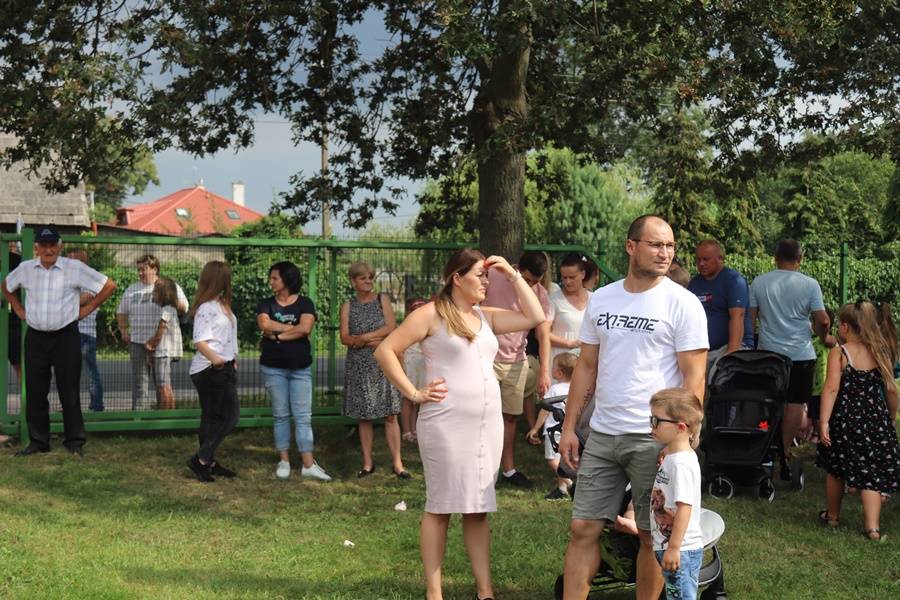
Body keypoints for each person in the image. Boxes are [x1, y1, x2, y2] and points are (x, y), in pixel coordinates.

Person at [374, 249, 544, 600]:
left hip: (487, 426)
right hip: (445, 426)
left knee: (478, 508)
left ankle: (485, 592)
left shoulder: (486, 316)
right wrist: (413, 392)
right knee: (440, 507)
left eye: (487, 276)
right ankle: (434, 593)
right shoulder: (431, 314)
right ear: (457, 278)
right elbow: (385, 351)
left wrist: (512, 275)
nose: (486, 282)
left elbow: (535, 316)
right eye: (480, 275)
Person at [559, 215, 708, 600]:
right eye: (656, 244)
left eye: (670, 246)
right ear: (631, 247)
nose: (664, 253)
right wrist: (570, 428)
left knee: (650, 533)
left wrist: (681, 441)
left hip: (654, 439)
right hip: (603, 435)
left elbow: (694, 378)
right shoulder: (602, 299)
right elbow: (586, 366)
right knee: (582, 528)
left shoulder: (684, 304)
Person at [2, 226, 116, 456]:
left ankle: (74, 442)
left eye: (52, 245)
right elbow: (6, 285)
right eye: (43, 245)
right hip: (35, 337)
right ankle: (38, 442)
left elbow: (109, 285)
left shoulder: (74, 268)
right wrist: (18, 308)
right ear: (36, 247)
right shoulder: (25, 269)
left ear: (59, 246)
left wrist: (88, 309)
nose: (48, 249)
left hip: (66, 337)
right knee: (35, 391)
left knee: (69, 391)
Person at [749, 239, 836, 480]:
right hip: (800, 354)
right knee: (795, 404)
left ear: (775, 257)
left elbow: (751, 318)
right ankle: (785, 451)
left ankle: (764, 446)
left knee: (767, 401)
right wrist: (822, 336)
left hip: (768, 353)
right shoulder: (810, 284)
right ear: (800, 258)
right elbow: (823, 319)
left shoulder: (759, 282)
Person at [816, 301, 899, 541]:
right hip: (875, 420)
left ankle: (832, 517)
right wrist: (890, 417)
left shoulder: (840, 353)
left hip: (846, 420)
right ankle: (872, 528)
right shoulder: (880, 352)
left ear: (844, 327)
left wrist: (824, 421)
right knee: (871, 475)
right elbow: (891, 391)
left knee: (836, 469)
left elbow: (831, 389)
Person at [483, 251, 553, 488]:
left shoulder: (540, 294)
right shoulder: (493, 276)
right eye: (528, 279)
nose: (531, 285)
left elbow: (543, 335)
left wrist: (544, 371)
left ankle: (509, 469)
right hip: (486, 358)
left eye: (536, 281)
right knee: (483, 415)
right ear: (517, 269)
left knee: (510, 417)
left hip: (516, 362)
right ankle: (484, 469)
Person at [256, 261, 331, 481]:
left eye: (275, 278)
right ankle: (284, 461)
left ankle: (308, 464)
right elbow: (264, 326)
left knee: (303, 417)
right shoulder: (266, 304)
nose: (271, 282)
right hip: (273, 368)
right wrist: (293, 329)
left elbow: (305, 329)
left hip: (300, 369)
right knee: (280, 415)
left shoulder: (305, 303)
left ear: (287, 279)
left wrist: (278, 335)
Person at [340, 261, 407, 478]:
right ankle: (368, 463)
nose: (368, 281)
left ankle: (398, 463)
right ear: (353, 281)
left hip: (383, 363)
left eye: (370, 277)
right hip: (359, 366)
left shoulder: (382, 300)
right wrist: (373, 340)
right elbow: (345, 337)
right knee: (364, 416)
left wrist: (364, 338)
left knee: (391, 414)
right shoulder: (348, 305)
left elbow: (391, 327)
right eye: (363, 278)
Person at [649, 388, 704, 600]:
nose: (651, 425)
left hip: (681, 550)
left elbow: (684, 508)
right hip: (673, 547)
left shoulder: (681, 464)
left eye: (656, 421)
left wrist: (673, 548)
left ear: (680, 427)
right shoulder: (674, 457)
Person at [186, 261, 239, 483]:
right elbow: (200, 340)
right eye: (227, 276)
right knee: (229, 416)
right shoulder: (207, 308)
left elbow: (226, 336)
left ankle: (207, 462)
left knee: (212, 417)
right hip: (211, 369)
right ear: (220, 279)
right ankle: (201, 459)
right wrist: (217, 360)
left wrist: (233, 358)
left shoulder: (222, 304)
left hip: (223, 366)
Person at [117, 254, 188, 410]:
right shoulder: (131, 289)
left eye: (143, 269)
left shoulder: (168, 286)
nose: (140, 273)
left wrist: (170, 298)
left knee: (162, 383)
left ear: (154, 269)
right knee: (140, 383)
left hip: (161, 344)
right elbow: (121, 312)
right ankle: (139, 416)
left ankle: (163, 416)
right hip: (138, 342)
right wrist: (123, 331)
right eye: (138, 270)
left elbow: (184, 308)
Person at [688, 240, 754, 372]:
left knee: (718, 377)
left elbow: (738, 316)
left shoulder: (734, 281)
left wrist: (731, 353)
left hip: (731, 346)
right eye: (698, 259)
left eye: (706, 259)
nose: (701, 264)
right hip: (703, 349)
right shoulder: (694, 284)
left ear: (720, 258)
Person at [526, 352, 577, 500]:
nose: (551, 369)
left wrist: (535, 428)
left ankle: (571, 483)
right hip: (570, 431)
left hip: (554, 432)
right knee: (563, 460)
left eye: (553, 367)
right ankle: (561, 489)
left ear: (559, 372)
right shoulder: (575, 389)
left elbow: (544, 411)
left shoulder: (555, 390)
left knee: (552, 460)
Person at [66, 249, 105, 412]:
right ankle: (70, 407)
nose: (68, 264)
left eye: (72, 260)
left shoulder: (90, 279)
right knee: (68, 373)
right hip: (68, 332)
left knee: (91, 372)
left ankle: (96, 406)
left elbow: (86, 298)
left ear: (83, 262)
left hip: (86, 333)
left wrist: (65, 301)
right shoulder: (68, 279)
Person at [548, 253, 591, 378]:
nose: (567, 281)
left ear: (583, 274)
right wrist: (569, 344)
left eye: (572, 277)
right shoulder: (553, 300)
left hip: (585, 363)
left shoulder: (594, 299)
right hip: (560, 365)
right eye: (564, 277)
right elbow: (543, 334)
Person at [144, 276, 183, 411]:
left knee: (163, 384)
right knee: (164, 384)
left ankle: (166, 414)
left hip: (164, 352)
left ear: (163, 293)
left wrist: (152, 344)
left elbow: (162, 328)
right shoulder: (168, 309)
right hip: (163, 351)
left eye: (155, 291)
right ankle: (168, 412)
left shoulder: (167, 309)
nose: (153, 293)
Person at [400, 298, 429, 444]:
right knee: (408, 397)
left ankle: (414, 428)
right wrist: (403, 367)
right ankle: (406, 431)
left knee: (417, 399)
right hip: (410, 362)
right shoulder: (407, 326)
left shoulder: (428, 325)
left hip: (422, 363)